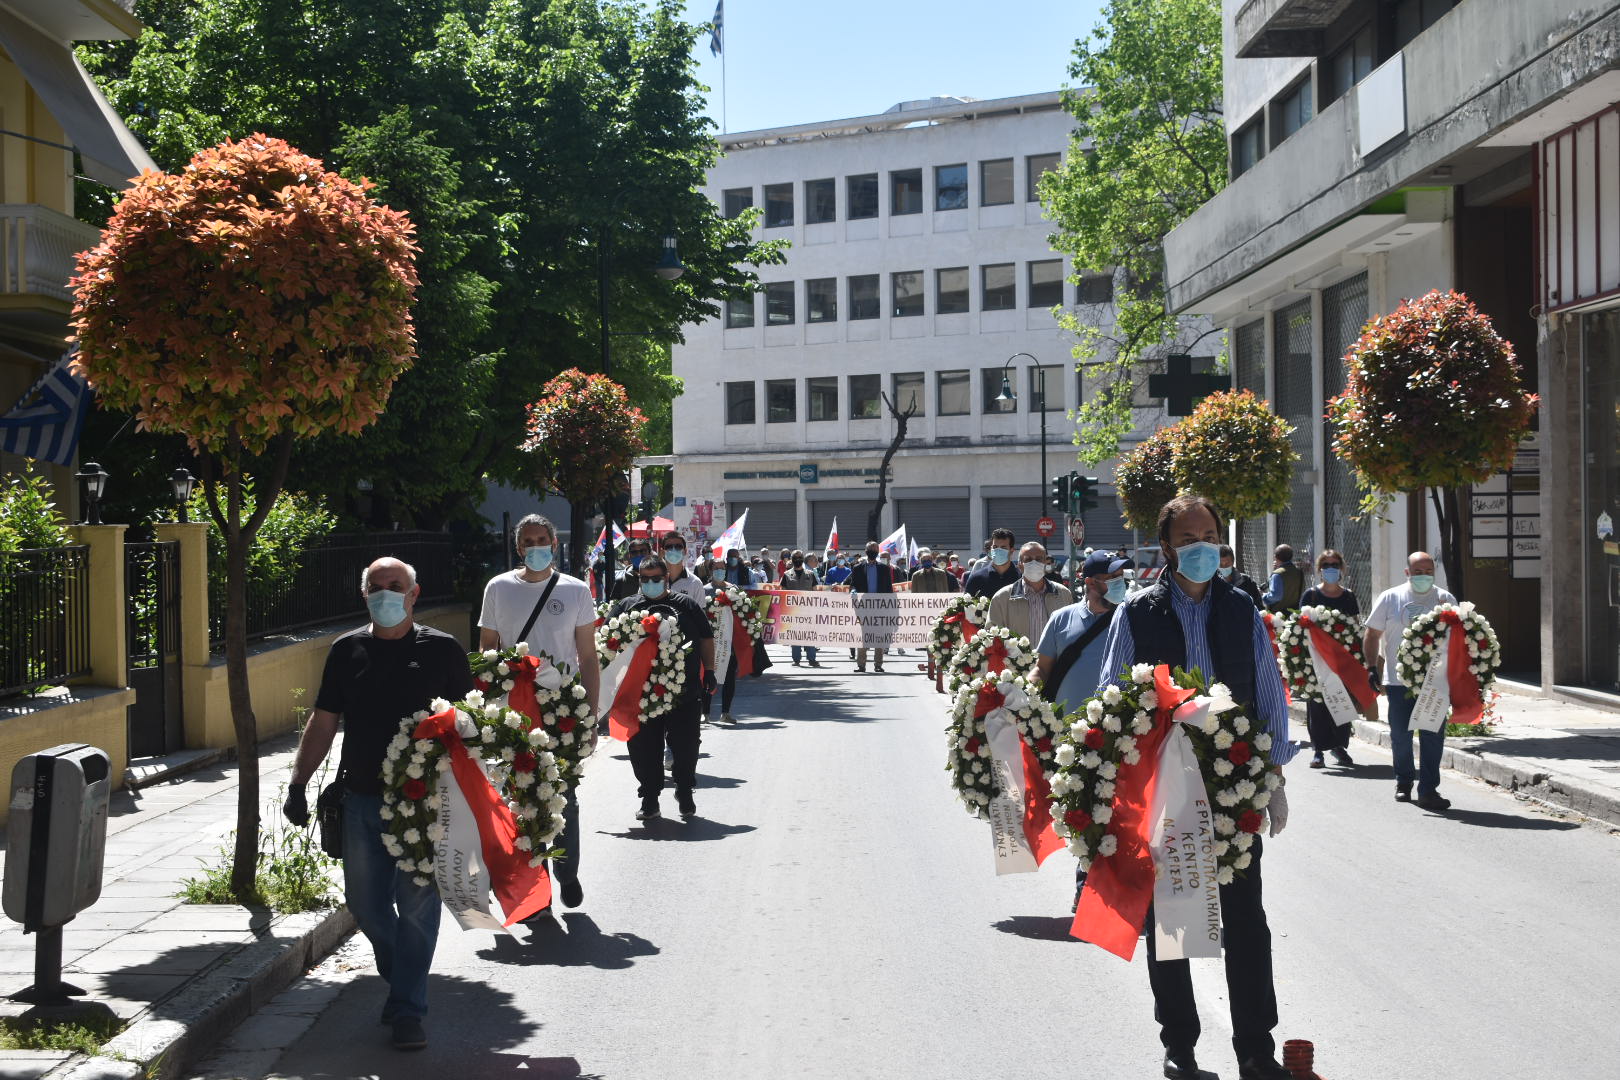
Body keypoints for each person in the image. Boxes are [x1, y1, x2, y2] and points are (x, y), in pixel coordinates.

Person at [1094, 495, 1296, 1080]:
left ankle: (1256, 1048)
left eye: (1209, 535)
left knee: (1246, 921)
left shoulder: (1241, 609)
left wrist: (1274, 776)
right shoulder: (1138, 612)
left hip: (1235, 784)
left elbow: (1268, 691)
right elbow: (1113, 697)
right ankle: (1179, 1046)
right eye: (1189, 538)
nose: (1202, 547)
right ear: (1165, 547)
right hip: (1166, 790)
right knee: (1173, 919)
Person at [283, 557, 474, 1052]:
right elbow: (324, 722)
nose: (386, 594)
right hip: (361, 798)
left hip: (423, 804)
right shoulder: (347, 651)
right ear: (364, 595)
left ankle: (409, 1008)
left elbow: (471, 725)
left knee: (415, 908)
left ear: (414, 594)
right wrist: (298, 782)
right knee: (365, 906)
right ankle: (402, 975)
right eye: (377, 587)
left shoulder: (443, 651)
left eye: (396, 586)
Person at [476, 515, 600, 913]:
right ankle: (536, 886)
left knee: (565, 793)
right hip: (515, 707)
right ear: (518, 548)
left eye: (542, 539)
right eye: (528, 541)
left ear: (554, 543)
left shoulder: (576, 590)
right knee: (520, 796)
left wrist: (591, 715)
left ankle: (567, 872)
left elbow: (587, 657)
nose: (536, 546)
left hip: (562, 705)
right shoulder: (498, 588)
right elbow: (487, 653)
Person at [610, 556, 716, 820]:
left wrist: (710, 671)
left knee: (686, 745)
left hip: (685, 691)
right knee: (643, 747)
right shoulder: (627, 607)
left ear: (666, 578)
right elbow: (608, 643)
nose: (650, 583)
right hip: (641, 694)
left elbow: (705, 638)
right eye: (644, 579)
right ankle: (649, 797)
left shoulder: (687, 606)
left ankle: (684, 789)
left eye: (656, 578)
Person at [1363, 551, 1457, 811]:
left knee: (1432, 737)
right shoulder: (1391, 598)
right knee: (1401, 736)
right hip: (1398, 682)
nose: (1423, 577)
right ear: (1407, 573)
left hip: (1435, 684)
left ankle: (1428, 789)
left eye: (1428, 572)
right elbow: (1372, 634)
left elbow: (1459, 639)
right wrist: (1372, 668)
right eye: (1418, 572)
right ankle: (1404, 781)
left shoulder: (1445, 599)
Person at [1298, 549, 1360, 770]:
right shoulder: (1311, 596)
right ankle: (1318, 750)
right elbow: (1300, 626)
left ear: (1341, 567)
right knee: (1317, 706)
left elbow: (1354, 626)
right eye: (1325, 565)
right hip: (1316, 661)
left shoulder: (1348, 596)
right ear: (1319, 569)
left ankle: (1339, 746)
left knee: (1342, 701)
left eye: (1334, 564)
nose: (1330, 569)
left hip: (1341, 661)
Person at [988, 541, 1073, 643]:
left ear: (1045, 563)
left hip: (1055, 659)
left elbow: (1071, 633)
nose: (1034, 563)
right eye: (1028, 560)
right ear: (1019, 565)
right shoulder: (1001, 598)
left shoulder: (1064, 594)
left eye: (1039, 559)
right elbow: (992, 638)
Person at [846, 540, 895, 672]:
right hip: (863, 607)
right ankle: (861, 665)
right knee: (863, 636)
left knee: (879, 636)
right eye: (870, 549)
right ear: (866, 552)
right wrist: (853, 590)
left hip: (880, 607)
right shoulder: (857, 568)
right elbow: (853, 584)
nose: (872, 552)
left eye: (875, 549)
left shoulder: (884, 569)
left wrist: (890, 608)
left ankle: (878, 664)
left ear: (877, 552)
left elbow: (889, 589)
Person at [910, 547, 957, 679]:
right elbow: (913, 596)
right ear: (920, 562)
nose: (927, 562)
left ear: (932, 560)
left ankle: (941, 664)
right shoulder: (916, 576)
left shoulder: (941, 574)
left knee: (941, 638)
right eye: (924, 560)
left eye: (929, 560)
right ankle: (931, 663)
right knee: (929, 639)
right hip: (924, 612)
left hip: (939, 611)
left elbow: (946, 592)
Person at [780, 549, 821, 668]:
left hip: (808, 611)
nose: (798, 560)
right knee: (795, 635)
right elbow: (782, 593)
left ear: (803, 559)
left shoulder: (810, 573)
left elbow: (815, 592)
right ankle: (796, 659)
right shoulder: (787, 575)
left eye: (800, 557)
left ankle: (812, 659)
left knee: (809, 635)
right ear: (792, 560)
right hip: (793, 611)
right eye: (795, 558)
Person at [963, 528, 1019, 600]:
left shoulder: (1021, 578)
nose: (998, 550)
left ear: (1012, 550)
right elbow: (965, 607)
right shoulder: (976, 578)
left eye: (1003, 547)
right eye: (995, 547)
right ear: (991, 549)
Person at [661, 531, 706, 604]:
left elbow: (700, 613)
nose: (673, 550)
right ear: (662, 552)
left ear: (685, 551)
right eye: (668, 547)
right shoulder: (652, 579)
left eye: (678, 546)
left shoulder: (695, 583)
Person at [1261, 543, 1304, 614]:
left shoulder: (1277, 574)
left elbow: (1276, 596)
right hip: (1294, 614)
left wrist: (1264, 595)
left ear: (1275, 557)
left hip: (1278, 616)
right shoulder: (1298, 572)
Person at [1219, 544, 1265, 609]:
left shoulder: (1247, 581)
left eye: (1227, 563)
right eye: (1220, 564)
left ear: (1233, 561)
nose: (1224, 567)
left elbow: (1258, 606)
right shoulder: (1214, 584)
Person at [608, 538, 654, 602]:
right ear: (629, 556)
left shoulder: (659, 577)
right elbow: (613, 605)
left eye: (643, 551)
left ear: (650, 553)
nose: (639, 555)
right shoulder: (621, 579)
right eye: (634, 552)